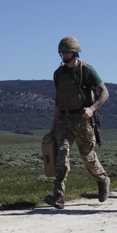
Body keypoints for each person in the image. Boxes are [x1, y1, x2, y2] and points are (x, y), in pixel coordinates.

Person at [44, 36, 110, 209]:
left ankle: (102, 179)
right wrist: (53, 126)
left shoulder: (87, 70)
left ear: (75, 53)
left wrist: (92, 109)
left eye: (67, 52)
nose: (64, 55)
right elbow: (58, 101)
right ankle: (59, 196)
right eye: (62, 52)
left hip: (82, 119)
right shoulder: (59, 74)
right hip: (64, 120)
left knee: (87, 156)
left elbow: (104, 93)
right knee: (62, 155)